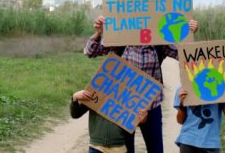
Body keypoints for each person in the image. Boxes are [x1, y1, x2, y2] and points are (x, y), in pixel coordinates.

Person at [84, 15, 198, 153]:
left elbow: (186, 56)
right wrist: (99, 33)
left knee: (155, 149)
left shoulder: (159, 43)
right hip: (124, 106)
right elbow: (90, 52)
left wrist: (189, 34)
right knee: (126, 150)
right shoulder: (121, 41)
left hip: (151, 105)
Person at [174, 84, 225, 153]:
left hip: (210, 142)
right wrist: (182, 104)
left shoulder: (219, 88)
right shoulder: (183, 90)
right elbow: (180, 121)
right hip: (188, 140)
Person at [70, 90, 148, 153]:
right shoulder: (95, 90)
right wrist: (74, 98)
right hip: (97, 147)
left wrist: (141, 120)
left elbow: (133, 122)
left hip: (119, 147)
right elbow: (75, 114)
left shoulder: (128, 94)